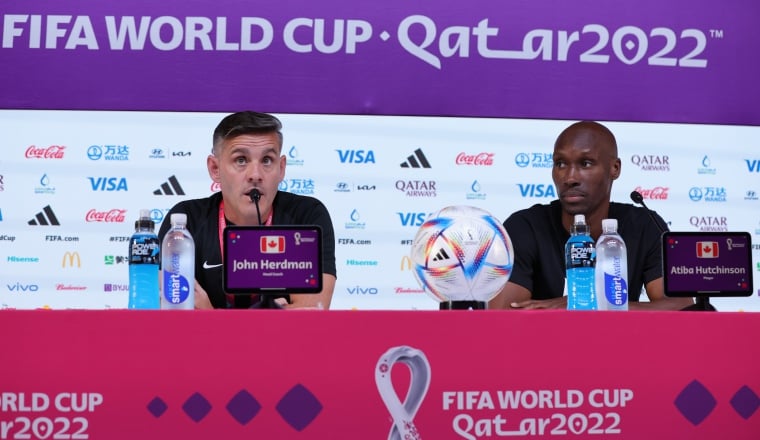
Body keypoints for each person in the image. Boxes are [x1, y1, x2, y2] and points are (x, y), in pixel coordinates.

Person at [489, 120, 693, 311]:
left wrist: (585, 304)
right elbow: (504, 314)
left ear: (615, 168)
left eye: (585, 163)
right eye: (560, 164)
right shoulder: (525, 226)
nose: (569, 178)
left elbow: (682, 306)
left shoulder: (644, 225)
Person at [158, 111, 336, 309]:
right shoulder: (185, 222)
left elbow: (308, 319)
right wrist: (275, 315)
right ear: (215, 169)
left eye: (267, 160)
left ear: (282, 168)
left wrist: (210, 314)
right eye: (241, 160)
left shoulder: (307, 217)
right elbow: (174, 312)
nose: (255, 175)